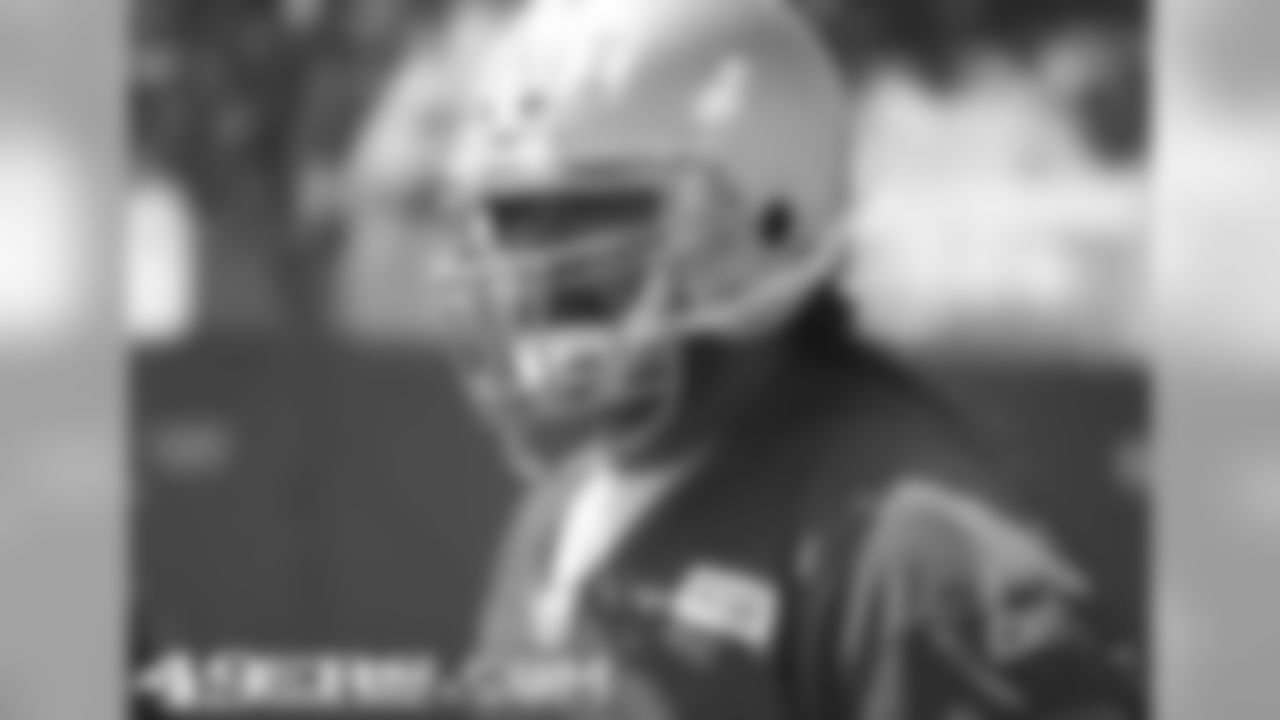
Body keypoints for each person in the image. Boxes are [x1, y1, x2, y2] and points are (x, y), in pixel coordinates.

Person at [342, 0, 1146, 717]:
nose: (534, 268)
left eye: (586, 212)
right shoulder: (551, 522)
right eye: (511, 215)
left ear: (768, 219)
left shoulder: (919, 568)